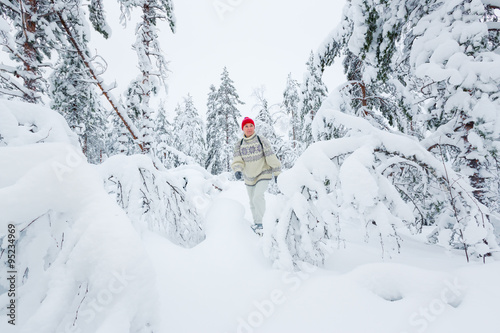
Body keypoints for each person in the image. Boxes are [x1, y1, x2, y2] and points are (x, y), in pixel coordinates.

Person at [231, 117, 281, 234]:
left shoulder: (261, 140)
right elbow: (237, 159)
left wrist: (277, 172)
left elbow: (270, 156)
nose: (249, 128)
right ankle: (258, 223)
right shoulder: (239, 144)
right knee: (252, 201)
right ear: (243, 129)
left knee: (257, 196)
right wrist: (237, 170)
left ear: (254, 127)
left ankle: (265, 223)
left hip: (263, 172)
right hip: (249, 176)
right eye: (246, 126)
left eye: (251, 126)